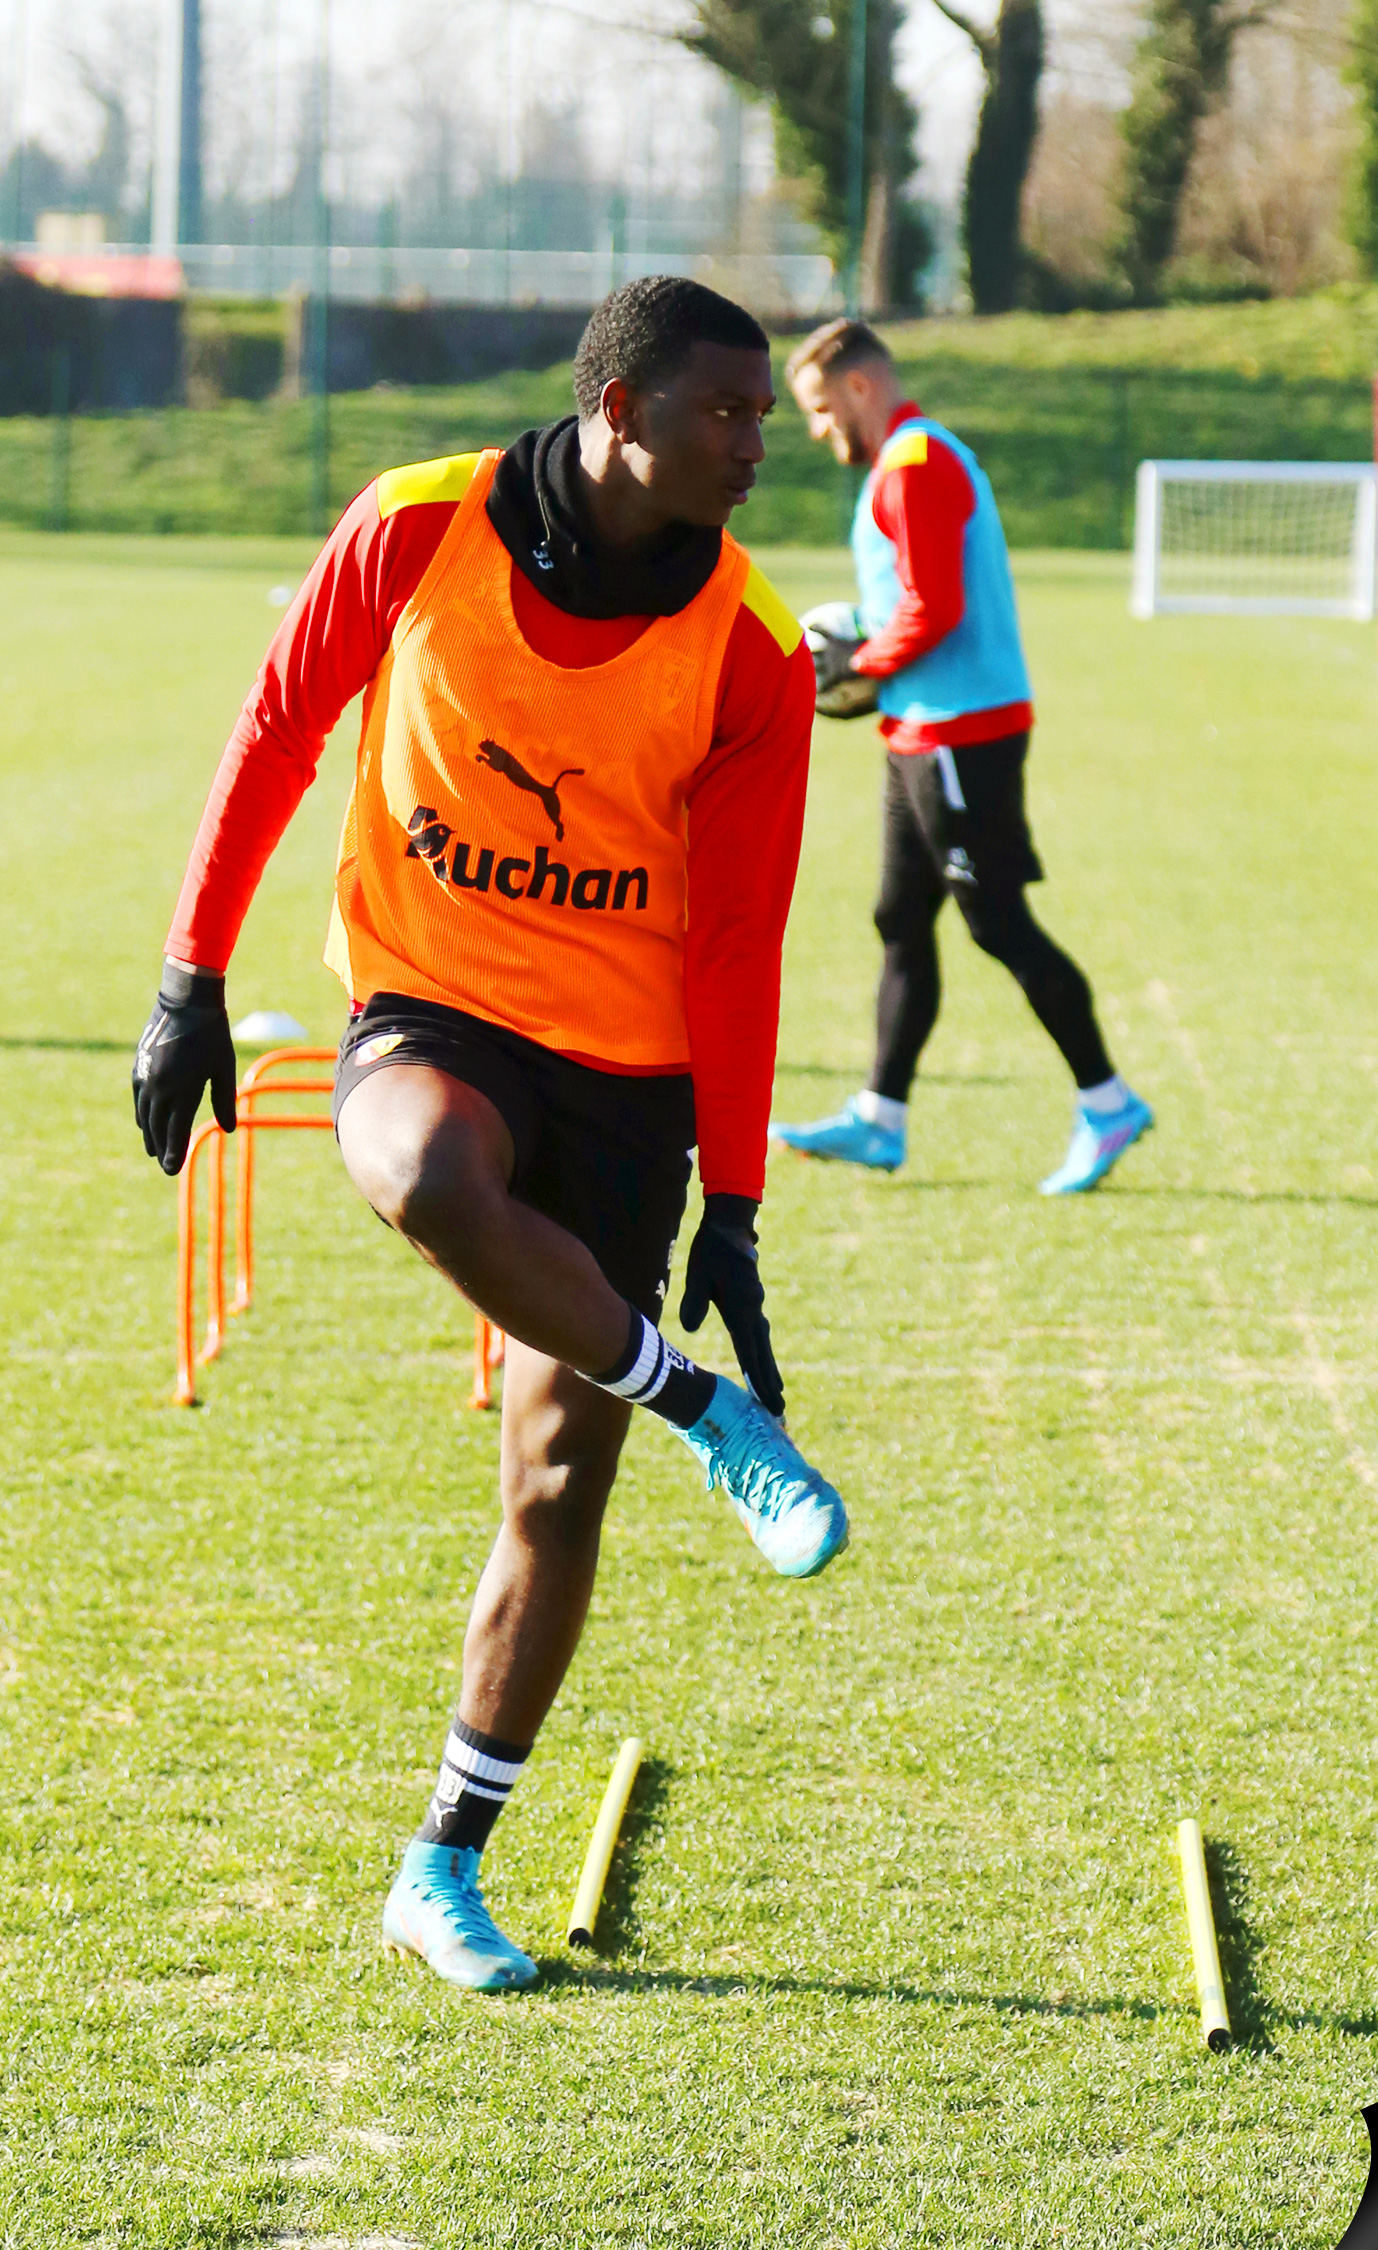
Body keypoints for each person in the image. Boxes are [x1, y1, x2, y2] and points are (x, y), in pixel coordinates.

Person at [131, 277, 848, 1995]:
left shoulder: (746, 648)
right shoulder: (416, 527)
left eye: (764, 415)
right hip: (432, 1008)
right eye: (726, 416)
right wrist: (188, 973)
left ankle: (440, 1867)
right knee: (428, 1175)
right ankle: (697, 1404)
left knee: (549, 1473)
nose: (759, 447)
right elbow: (277, 726)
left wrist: (732, 1204)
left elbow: (741, 945)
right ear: (617, 411)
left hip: (629, 1076)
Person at [771, 317, 1152, 1195]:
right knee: (900, 920)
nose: (821, 429)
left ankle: (1109, 1103)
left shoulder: (914, 464)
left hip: (962, 733)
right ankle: (880, 1116)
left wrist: (854, 663)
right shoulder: (900, 466)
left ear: (860, 387)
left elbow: (932, 606)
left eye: (823, 410)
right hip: (918, 731)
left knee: (997, 923)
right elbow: (907, 603)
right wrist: (871, 658)